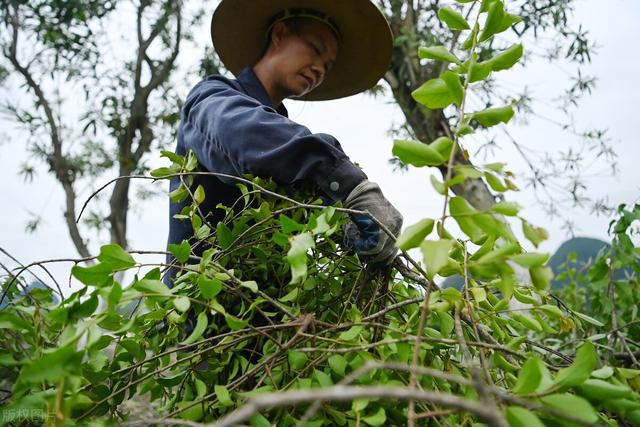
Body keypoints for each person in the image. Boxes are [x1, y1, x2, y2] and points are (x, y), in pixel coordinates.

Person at [166, 0, 403, 281]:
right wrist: (349, 184)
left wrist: (344, 223)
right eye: (315, 49)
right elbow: (242, 135)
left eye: (328, 66)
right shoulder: (211, 99)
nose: (319, 69)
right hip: (198, 308)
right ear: (278, 34)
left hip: (267, 318)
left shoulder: (289, 149)